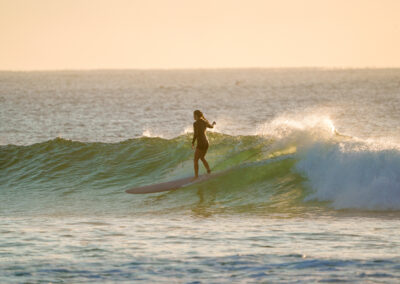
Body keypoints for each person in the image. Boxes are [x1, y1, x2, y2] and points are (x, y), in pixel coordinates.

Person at [192, 110, 216, 178]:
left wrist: (193, 142)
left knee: (195, 159)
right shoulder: (204, 122)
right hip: (206, 143)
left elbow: (195, 134)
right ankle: (208, 171)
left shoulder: (195, 123)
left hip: (201, 143)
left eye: (194, 115)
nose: (193, 117)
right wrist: (213, 123)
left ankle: (196, 176)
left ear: (196, 115)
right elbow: (211, 127)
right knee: (202, 157)